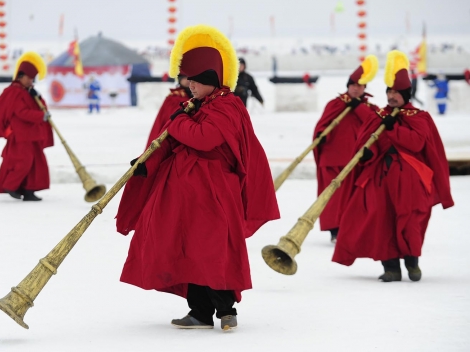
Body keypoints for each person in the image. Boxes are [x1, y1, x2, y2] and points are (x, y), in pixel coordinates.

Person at [115, 25, 280, 331]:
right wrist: (145, 164)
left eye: (194, 79)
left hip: (214, 192)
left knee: (212, 248)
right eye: (188, 78)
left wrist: (178, 122)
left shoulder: (228, 106)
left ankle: (225, 310)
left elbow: (205, 138)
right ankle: (200, 312)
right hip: (183, 193)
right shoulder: (193, 106)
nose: (188, 84)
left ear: (209, 80)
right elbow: (168, 142)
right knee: (186, 247)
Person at [332, 50, 454, 282]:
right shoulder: (377, 116)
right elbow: (367, 144)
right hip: (380, 177)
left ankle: (411, 261)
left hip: (410, 179)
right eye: (389, 91)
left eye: (397, 92)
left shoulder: (419, 117)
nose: (392, 95)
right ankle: (391, 268)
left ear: (406, 94)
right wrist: (367, 154)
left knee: (409, 219)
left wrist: (393, 128)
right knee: (381, 220)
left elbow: (416, 143)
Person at [313, 55, 380, 243]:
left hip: (357, 161)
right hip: (333, 159)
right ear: (347, 86)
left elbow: (374, 125)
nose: (356, 88)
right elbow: (322, 127)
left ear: (365, 88)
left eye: (360, 86)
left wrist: (357, 106)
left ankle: (353, 229)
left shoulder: (370, 108)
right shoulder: (335, 104)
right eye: (353, 85)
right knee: (333, 198)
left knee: (354, 198)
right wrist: (321, 136)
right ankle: (335, 230)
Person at [0, 52, 54, 201]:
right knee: (24, 162)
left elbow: (37, 106)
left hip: (32, 134)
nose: (31, 81)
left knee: (36, 163)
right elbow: (21, 112)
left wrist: (38, 98)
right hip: (21, 136)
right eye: (29, 78)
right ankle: (11, 185)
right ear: (21, 76)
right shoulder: (14, 92)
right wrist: (40, 116)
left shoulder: (27, 91)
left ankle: (29, 190)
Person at [145, 74, 192, 146]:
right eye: (184, 77)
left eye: (189, 77)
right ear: (179, 79)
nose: (187, 80)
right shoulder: (174, 97)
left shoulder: (198, 95)